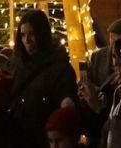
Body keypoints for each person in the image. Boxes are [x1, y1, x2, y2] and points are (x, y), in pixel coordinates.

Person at [9, 9, 79, 148]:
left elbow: (66, 105)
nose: (27, 41)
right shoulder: (19, 65)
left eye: (32, 34)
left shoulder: (59, 68)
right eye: (23, 35)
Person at [87, 18, 121, 94]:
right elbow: (91, 79)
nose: (115, 43)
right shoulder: (97, 56)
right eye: (112, 37)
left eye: (120, 40)